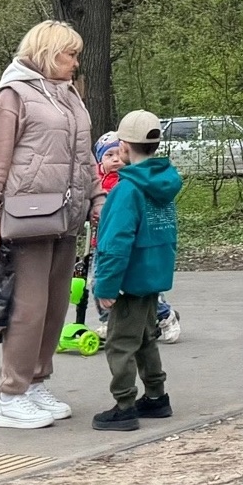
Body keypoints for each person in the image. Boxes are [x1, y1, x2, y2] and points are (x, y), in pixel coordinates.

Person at [0, 20, 104, 430]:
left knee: (54, 306)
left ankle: (35, 382)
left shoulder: (69, 96)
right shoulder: (12, 96)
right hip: (27, 217)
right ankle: (10, 394)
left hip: (66, 216)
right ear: (48, 53)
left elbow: (85, 157)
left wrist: (97, 197)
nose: (76, 63)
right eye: (70, 54)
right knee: (28, 309)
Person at [92, 110, 181, 431]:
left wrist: (105, 285)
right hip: (153, 274)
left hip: (128, 279)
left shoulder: (127, 189)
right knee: (145, 337)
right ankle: (156, 397)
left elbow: (116, 242)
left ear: (125, 145)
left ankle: (125, 405)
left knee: (120, 343)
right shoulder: (164, 182)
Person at [92, 133, 182, 344]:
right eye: (108, 155)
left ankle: (165, 316)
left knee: (138, 287)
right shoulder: (96, 182)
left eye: (117, 153)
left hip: (126, 243)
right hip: (100, 243)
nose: (114, 159)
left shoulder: (129, 180)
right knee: (98, 282)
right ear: (99, 160)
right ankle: (109, 319)